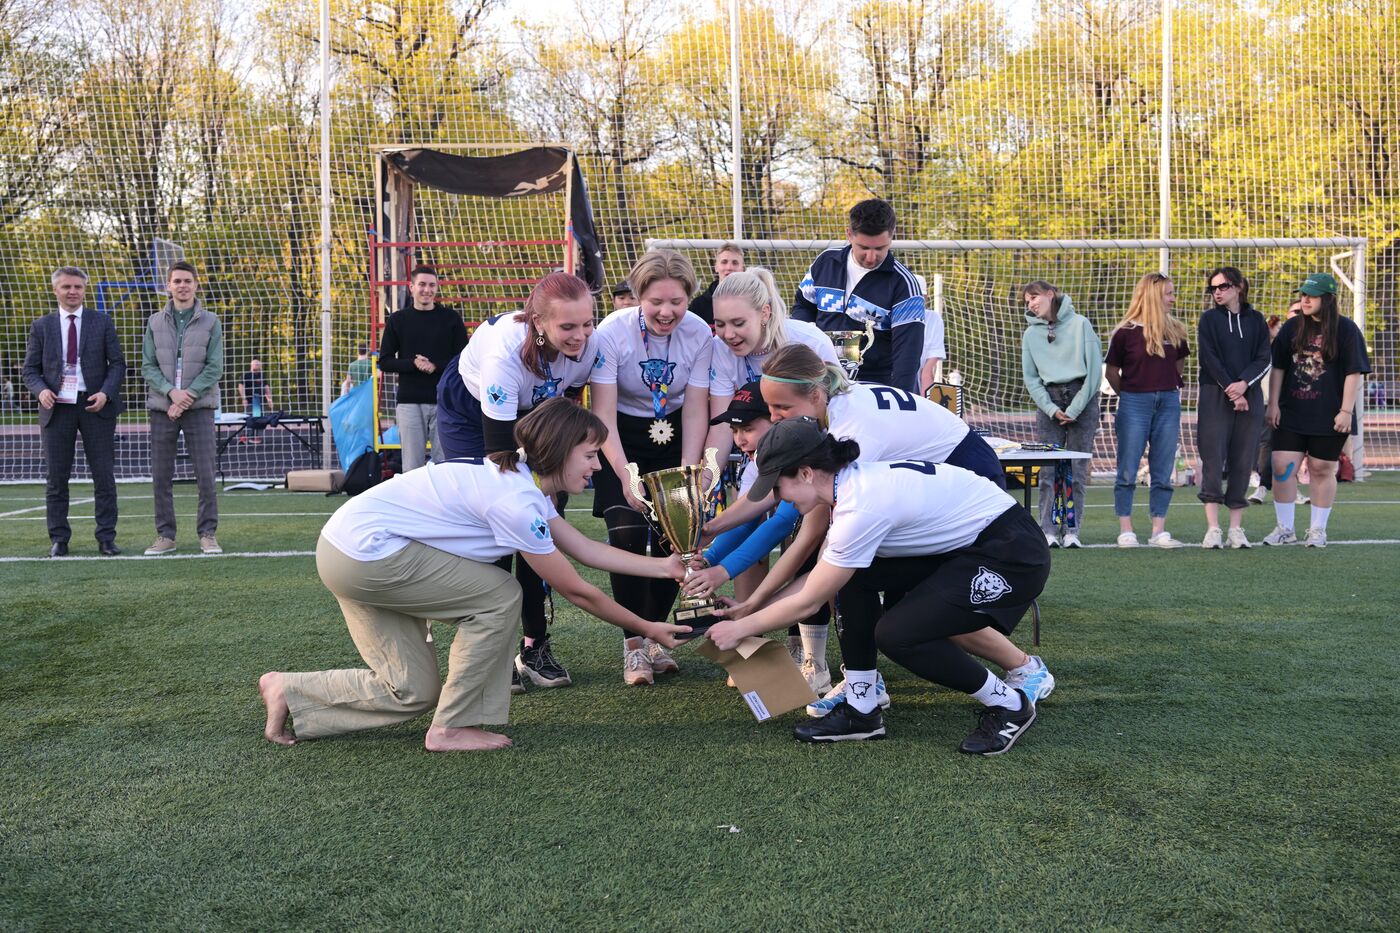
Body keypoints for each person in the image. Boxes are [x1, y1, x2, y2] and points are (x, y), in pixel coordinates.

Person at [257, 399, 690, 751]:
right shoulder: (517, 502)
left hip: (347, 549)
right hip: (367, 555)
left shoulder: (523, 483)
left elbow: (583, 549)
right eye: (591, 455)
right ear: (560, 450)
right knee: (500, 595)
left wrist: (664, 566)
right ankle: (451, 727)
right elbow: (578, 592)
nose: (597, 466)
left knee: (412, 690)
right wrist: (647, 627)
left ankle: (289, 691)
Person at [701, 344, 1051, 717]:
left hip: (980, 501)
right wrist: (711, 532)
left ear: (815, 395)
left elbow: (812, 548)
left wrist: (751, 611)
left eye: (781, 408)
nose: (773, 417)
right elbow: (796, 521)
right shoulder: (831, 427)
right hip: (949, 494)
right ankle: (863, 686)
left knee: (916, 613)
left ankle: (1023, 673)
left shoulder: (853, 441)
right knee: (867, 586)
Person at [436, 272, 599, 690]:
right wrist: (532, 499)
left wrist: (550, 493)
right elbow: (500, 457)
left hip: (539, 412)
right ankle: (489, 651)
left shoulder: (589, 345)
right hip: (473, 413)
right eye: (568, 326)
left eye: (588, 323)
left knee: (539, 524)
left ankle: (535, 646)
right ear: (538, 322)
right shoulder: (504, 355)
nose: (581, 336)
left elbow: (566, 411)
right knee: (496, 520)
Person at [590, 249, 714, 685]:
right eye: (656, 301)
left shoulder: (700, 332)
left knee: (672, 540)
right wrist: (625, 474)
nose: (666, 312)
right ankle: (633, 646)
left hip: (676, 435)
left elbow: (696, 407)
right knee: (625, 534)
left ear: (689, 298)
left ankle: (655, 637)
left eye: (676, 302)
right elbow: (602, 412)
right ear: (639, 296)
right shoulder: (611, 332)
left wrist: (688, 474)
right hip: (620, 437)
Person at [688, 382, 832, 692]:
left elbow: (783, 522)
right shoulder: (759, 457)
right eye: (734, 430)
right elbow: (750, 516)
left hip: (877, 518)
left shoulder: (799, 450)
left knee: (819, 565)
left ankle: (819, 660)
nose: (740, 439)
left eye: (748, 428)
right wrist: (707, 555)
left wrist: (722, 573)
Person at [22, 266, 126, 557]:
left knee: (104, 476)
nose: (72, 291)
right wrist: (41, 390)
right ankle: (59, 539)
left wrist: (105, 393)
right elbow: (30, 370)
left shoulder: (101, 322)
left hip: (95, 405)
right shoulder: (41, 326)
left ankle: (106, 538)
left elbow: (118, 364)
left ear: (84, 289)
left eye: (78, 287)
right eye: (66, 286)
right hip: (56, 408)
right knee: (56, 478)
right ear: (55, 289)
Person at [1262, 273, 1370, 548]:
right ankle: (1285, 529)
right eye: (1303, 295)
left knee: (1322, 468)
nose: (1305, 300)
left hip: (1330, 413)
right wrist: (1273, 404)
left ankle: (1318, 530)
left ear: (1328, 298)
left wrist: (1346, 411)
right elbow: (1278, 367)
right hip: (1291, 412)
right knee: (1282, 466)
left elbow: (1354, 372)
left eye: (1312, 295)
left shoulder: (1347, 329)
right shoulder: (1292, 326)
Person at [702, 267, 838, 462]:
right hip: (758, 456)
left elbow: (836, 413)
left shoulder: (810, 341)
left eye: (738, 323)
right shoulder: (720, 348)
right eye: (720, 324)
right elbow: (721, 429)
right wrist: (708, 477)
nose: (728, 334)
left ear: (764, 313)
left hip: (813, 450)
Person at [791, 198, 925, 392]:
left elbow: (908, 355)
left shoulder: (904, 285)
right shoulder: (825, 262)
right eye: (864, 247)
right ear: (849, 234)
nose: (871, 257)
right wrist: (805, 346)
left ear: (891, 237)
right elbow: (803, 306)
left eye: (880, 248)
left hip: (873, 389)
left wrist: (901, 400)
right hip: (820, 381)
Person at [142, 261, 225, 556]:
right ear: (168, 285)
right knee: (161, 475)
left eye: (187, 280)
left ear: (196, 284)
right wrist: (171, 393)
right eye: (177, 281)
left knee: (206, 474)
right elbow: (148, 366)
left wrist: (186, 396)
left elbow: (215, 367)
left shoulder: (211, 321)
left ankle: (207, 534)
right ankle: (166, 536)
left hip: (199, 407)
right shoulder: (154, 322)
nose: (182, 285)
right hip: (162, 408)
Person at [1104, 272, 1191, 549]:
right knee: (1127, 469)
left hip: (1169, 403)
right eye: (1169, 293)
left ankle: (1158, 531)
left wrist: (1163, 390)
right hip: (1133, 403)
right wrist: (1131, 395)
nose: (1173, 298)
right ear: (1154, 296)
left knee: (1163, 470)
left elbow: (1178, 368)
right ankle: (1126, 530)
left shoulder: (1176, 331)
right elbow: (1111, 372)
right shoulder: (1125, 333)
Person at [1020, 280, 1103, 549]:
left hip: (1082, 398)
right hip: (1049, 401)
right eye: (1027, 301)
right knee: (1048, 471)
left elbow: (1094, 372)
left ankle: (1072, 530)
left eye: (1034, 297)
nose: (1031, 304)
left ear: (1050, 294)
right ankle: (1048, 530)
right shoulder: (1030, 335)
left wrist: (1075, 408)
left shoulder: (1081, 324)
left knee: (1077, 470)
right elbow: (1031, 379)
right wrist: (1051, 408)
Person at [1195, 267, 1271, 549]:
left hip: (1249, 395)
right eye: (1213, 288)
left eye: (1223, 286)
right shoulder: (1209, 319)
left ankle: (1236, 529)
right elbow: (1209, 358)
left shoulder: (1257, 320)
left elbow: (1264, 358)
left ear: (1238, 287)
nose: (1217, 292)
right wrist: (1231, 388)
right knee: (1213, 458)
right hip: (1215, 395)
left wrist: (1243, 385)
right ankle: (1213, 528)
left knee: (1243, 459)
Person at [377, 265, 469, 471]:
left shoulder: (451, 319)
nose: (427, 290)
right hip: (409, 402)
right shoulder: (398, 320)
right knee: (412, 467)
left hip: (445, 402)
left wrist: (435, 366)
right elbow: (385, 361)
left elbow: (464, 360)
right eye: (422, 285)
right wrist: (413, 363)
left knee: (445, 466)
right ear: (411, 287)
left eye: (431, 285)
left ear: (437, 287)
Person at [687, 242, 745, 327]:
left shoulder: (752, 303)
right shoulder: (698, 305)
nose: (729, 267)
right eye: (724, 262)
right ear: (716, 267)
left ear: (742, 269)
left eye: (735, 263)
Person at [236, 358, 273, 443]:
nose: (257, 365)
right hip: (250, 401)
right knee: (249, 418)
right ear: (251, 365)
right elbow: (241, 386)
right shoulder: (246, 375)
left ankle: (256, 437)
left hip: (259, 401)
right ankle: (246, 437)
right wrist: (244, 398)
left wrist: (269, 399)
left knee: (260, 419)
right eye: (255, 364)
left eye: (258, 364)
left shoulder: (262, 375)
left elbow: (266, 388)